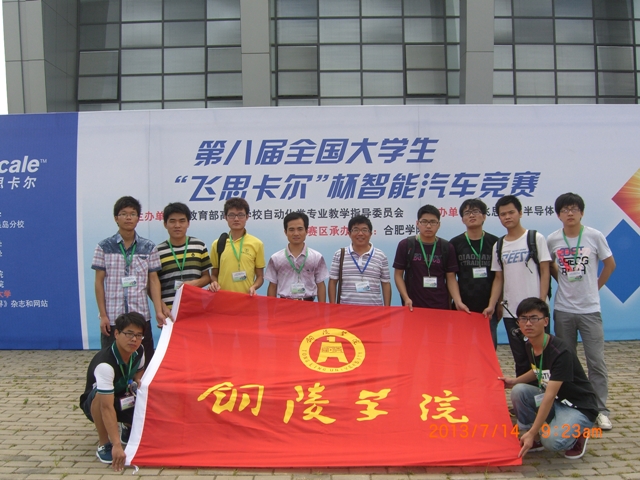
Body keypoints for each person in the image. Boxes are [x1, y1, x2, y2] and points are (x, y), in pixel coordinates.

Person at [547, 192, 616, 430]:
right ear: (558, 215)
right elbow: (549, 265)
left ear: (582, 212)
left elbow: (610, 264)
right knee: (566, 362)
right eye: (564, 210)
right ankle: (573, 405)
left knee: (596, 361)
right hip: (563, 310)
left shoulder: (594, 236)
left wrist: (595, 287)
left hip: (590, 310)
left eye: (574, 209)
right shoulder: (553, 239)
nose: (569, 213)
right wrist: (561, 280)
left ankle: (600, 410)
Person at [499, 297, 598, 460]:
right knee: (519, 390)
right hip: (556, 400)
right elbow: (538, 370)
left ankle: (578, 435)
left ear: (545, 321)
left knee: (552, 442)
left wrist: (534, 431)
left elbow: (549, 396)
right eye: (523, 319)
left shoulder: (561, 352)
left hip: (577, 406)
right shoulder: (530, 344)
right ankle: (533, 438)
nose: (528, 323)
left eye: (534, 318)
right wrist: (514, 381)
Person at [92, 196, 169, 362]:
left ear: (138, 218)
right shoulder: (104, 247)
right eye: (124, 214)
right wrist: (103, 315)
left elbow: (153, 281)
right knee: (111, 362)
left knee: (144, 361)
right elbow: (99, 282)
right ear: (116, 218)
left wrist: (158, 311)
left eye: (133, 214)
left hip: (140, 315)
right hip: (113, 317)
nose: (128, 217)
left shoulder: (148, 247)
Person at [485, 195, 551, 377]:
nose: (507, 217)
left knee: (542, 358)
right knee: (520, 359)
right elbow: (498, 278)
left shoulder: (535, 238)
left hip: (535, 312)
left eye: (511, 212)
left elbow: (545, 271)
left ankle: (546, 394)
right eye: (502, 214)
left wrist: (542, 302)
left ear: (520, 213)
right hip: (511, 313)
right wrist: (492, 305)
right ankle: (523, 394)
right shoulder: (499, 245)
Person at [80, 312, 147, 471]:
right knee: (100, 398)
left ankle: (127, 426)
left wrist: (137, 383)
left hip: (122, 396)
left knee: (145, 390)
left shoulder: (140, 350)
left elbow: (139, 371)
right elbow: (106, 407)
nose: (134, 339)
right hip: (97, 404)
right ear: (116, 334)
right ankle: (104, 444)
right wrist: (117, 445)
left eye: (138, 335)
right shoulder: (105, 364)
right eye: (129, 334)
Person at [393, 204, 465, 312]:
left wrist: (458, 301)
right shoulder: (406, 245)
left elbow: (451, 278)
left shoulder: (447, 247)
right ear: (417, 223)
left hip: (440, 306)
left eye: (433, 222)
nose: (428, 226)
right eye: (424, 222)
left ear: (439, 225)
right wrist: (406, 298)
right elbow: (398, 275)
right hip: (413, 305)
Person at [449, 199, 500, 348]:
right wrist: (457, 302)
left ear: (484, 216)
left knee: (488, 350)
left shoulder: (495, 242)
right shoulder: (455, 243)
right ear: (462, 219)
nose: (471, 215)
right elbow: (451, 276)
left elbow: (499, 277)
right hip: (463, 307)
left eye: (476, 211)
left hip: (488, 308)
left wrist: (494, 304)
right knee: (462, 350)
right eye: (467, 213)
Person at [157, 202, 212, 309]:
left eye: (182, 221)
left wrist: (193, 284)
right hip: (169, 312)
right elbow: (153, 286)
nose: (177, 225)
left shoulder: (199, 246)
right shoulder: (158, 251)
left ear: (188, 223)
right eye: (172, 221)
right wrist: (161, 308)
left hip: (196, 309)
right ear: (165, 224)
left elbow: (207, 277)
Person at [328, 215, 391, 306]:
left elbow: (385, 284)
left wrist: (387, 309)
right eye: (356, 230)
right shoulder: (340, 254)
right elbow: (333, 282)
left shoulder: (381, 256)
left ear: (370, 233)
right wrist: (333, 307)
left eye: (364, 230)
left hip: (374, 310)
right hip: (346, 311)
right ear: (349, 233)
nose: (360, 234)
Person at [265, 212, 329, 301]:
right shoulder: (276, 258)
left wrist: (322, 308)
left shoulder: (316, 257)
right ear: (285, 232)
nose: (296, 233)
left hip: (308, 304)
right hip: (284, 305)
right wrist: (271, 308)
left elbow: (320, 285)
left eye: (300, 229)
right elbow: (272, 286)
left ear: (306, 231)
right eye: (291, 229)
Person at [209, 197, 265, 295]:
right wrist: (214, 283)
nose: (236, 219)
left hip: (247, 298)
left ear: (247, 217)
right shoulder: (217, 244)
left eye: (240, 215)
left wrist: (254, 287)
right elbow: (214, 275)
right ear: (225, 217)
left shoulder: (256, 244)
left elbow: (260, 276)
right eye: (231, 215)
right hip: (223, 298)